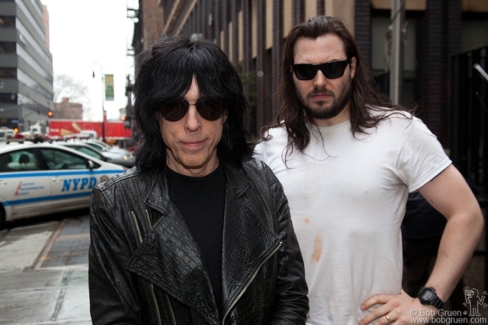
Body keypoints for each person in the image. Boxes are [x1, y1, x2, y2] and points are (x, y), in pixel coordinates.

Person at [254, 15, 484, 325]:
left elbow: (467, 214)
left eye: (332, 68)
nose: (319, 81)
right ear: (291, 75)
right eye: (305, 71)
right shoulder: (270, 147)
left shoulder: (399, 132)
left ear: (351, 67)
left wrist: (426, 303)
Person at [88, 34, 309, 324]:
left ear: (226, 113)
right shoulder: (115, 205)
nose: (192, 124)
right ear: (156, 115)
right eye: (174, 107)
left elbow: (291, 296)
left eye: (209, 106)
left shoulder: (263, 185)